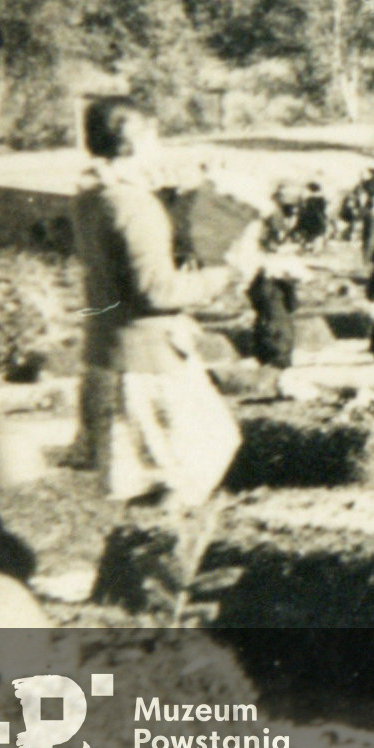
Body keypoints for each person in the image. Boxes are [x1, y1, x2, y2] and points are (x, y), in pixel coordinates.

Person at [69, 96, 252, 505]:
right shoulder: (134, 204)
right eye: (154, 135)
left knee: (145, 480)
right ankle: (161, 557)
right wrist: (225, 274)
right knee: (197, 462)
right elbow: (157, 290)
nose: (159, 146)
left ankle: (139, 556)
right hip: (148, 361)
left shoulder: (90, 197)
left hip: (108, 354)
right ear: (134, 140)